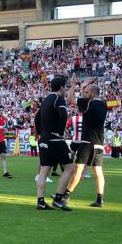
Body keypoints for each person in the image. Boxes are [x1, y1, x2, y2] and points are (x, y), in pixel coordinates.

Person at [61, 76, 108, 207]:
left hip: (87, 142)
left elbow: (70, 99)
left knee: (78, 170)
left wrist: (74, 85)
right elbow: (83, 99)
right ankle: (100, 199)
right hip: (99, 142)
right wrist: (83, 88)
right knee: (98, 171)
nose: (84, 94)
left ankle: (66, 196)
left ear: (92, 94)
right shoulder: (103, 104)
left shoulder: (88, 103)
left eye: (87, 92)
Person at [36, 76, 75, 211]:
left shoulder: (46, 99)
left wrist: (40, 133)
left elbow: (37, 117)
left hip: (44, 138)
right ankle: (58, 199)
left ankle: (40, 201)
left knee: (44, 170)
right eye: (65, 87)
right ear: (62, 87)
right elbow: (64, 115)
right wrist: (59, 132)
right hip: (55, 139)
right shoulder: (59, 99)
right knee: (70, 168)